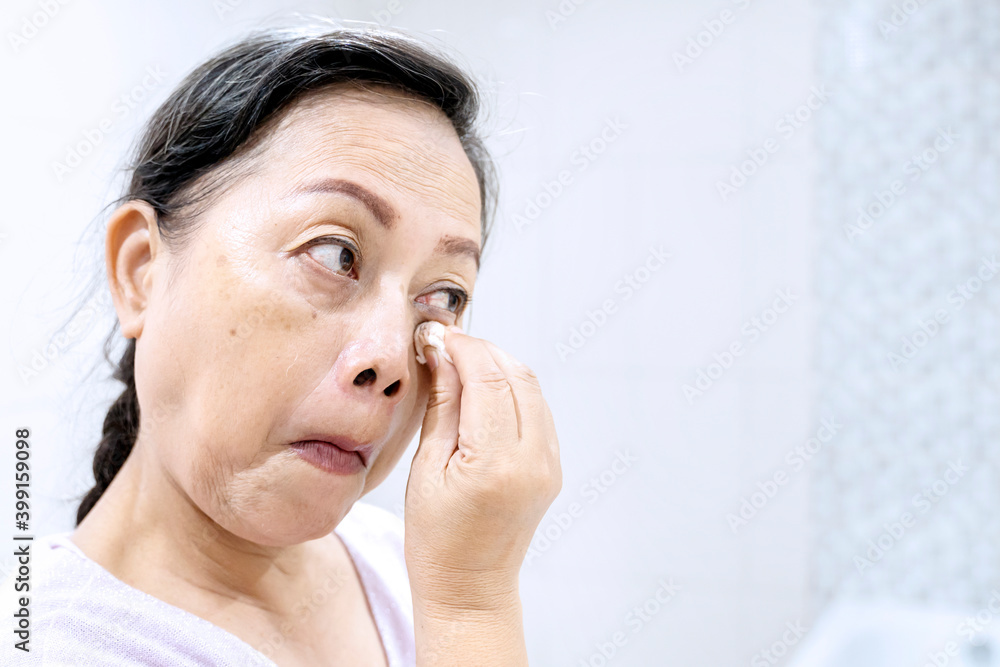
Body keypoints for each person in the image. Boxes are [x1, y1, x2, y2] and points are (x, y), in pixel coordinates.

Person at [4, 24, 562, 666]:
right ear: (141, 270)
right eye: (334, 253)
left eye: (442, 298)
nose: (388, 361)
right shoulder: (48, 646)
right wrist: (474, 607)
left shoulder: (407, 568)